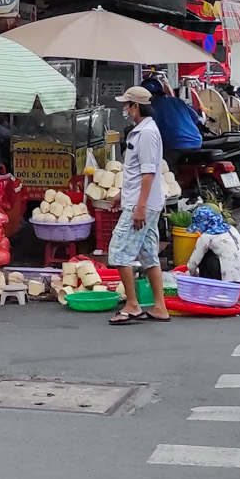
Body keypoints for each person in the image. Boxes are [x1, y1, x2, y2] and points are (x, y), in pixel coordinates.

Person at [106, 86, 171, 325]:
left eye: (127, 105)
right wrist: (123, 193)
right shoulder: (143, 131)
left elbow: (148, 172)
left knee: (118, 252)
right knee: (148, 255)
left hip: (141, 205)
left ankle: (132, 305)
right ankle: (160, 307)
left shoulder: (145, 134)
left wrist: (139, 206)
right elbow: (136, 172)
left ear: (136, 107)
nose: (125, 109)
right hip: (140, 200)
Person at [146, 75, 206, 153]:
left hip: (175, 145)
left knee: (157, 163)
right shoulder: (177, 101)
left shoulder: (153, 107)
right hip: (196, 142)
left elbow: (151, 129)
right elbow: (196, 119)